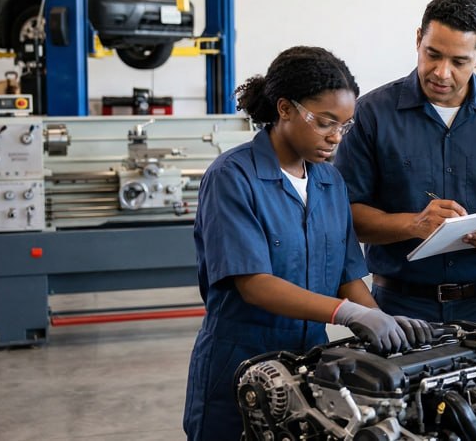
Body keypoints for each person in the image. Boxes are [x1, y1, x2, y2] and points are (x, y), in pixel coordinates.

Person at [183, 46, 431, 441]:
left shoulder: (330, 182)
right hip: (241, 361)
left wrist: (381, 321)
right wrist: (348, 314)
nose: (336, 137)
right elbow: (254, 284)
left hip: (309, 366)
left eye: (344, 126)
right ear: (284, 108)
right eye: (325, 122)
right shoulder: (232, 177)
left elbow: (347, 274)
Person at [334, 0, 476, 328]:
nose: (442, 72)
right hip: (398, 308)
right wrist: (413, 224)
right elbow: (347, 214)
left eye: (459, 61)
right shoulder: (371, 114)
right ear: (418, 40)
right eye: (432, 54)